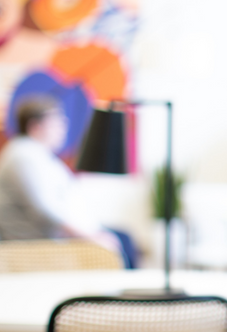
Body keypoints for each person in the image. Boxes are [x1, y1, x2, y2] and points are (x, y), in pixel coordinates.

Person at [0, 96, 135, 265]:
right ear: (35, 126)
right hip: (36, 243)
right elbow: (46, 212)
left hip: (54, 235)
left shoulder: (38, 155)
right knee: (119, 241)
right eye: (57, 122)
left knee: (123, 237)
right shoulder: (23, 156)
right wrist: (90, 236)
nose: (63, 127)